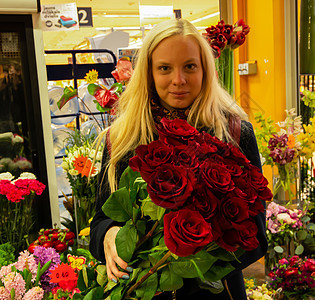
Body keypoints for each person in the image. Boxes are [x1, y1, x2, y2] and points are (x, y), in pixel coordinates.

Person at [90, 18, 267, 299]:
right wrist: (110, 236)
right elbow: (100, 219)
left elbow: (256, 233)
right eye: (164, 68)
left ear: (205, 70)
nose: (178, 80)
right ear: (148, 73)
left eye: (189, 66)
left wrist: (198, 254)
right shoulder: (124, 137)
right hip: (142, 289)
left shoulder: (234, 132)